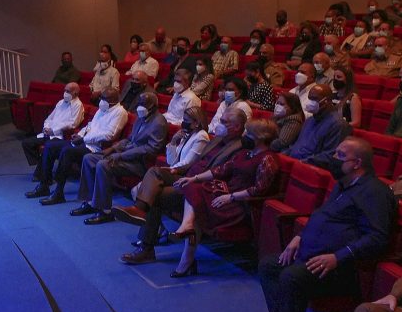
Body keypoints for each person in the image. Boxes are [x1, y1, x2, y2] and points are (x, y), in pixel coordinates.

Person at [260, 137, 396, 312]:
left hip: (343, 270)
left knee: (291, 278)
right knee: (269, 266)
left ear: (357, 163)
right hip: (312, 256)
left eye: (340, 156)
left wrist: (339, 256)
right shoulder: (342, 185)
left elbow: (379, 237)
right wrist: (299, 237)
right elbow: (324, 217)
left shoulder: (375, 192)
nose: (333, 158)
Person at [116, 109, 247, 265]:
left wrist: (192, 179)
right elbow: (197, 161)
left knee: (156, 195)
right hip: (187, 176)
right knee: (155, 171)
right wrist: (177, 170)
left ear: (238, 127)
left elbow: (221, 174)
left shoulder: (240, 148)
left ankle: (146, 248)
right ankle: (139, 209)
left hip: (200, 188)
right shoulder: (218, 139)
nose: (219, 125)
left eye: (225, 122)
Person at [168, 119, 281, 276]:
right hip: (225, 193)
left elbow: (258, 190)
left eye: (249, 133)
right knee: (192, 188)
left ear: (260, 137)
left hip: (239, 204)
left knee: (197, 209)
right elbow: (219, 170)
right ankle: (186, 240)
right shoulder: (244, 153)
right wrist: (193, 178)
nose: (245, 135)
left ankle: (186, 259)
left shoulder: (268, 159)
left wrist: (231, 197)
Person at [72, 92, 168, 225]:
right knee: (89, 158)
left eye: (143, 105)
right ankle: (90, 202)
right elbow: (129, 139)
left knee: (103, 165)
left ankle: (105, 211)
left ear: (153, 106)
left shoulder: (159, 122)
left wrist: (120, 155)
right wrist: (112, 149)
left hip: (139, 163)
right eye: (139, 104)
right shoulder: (141, 117)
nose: (140, 107)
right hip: (124, 156)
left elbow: (151, 149)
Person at [36, 88, 129, 205]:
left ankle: (58, 192)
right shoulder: (102, 109)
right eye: (102, 98)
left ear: (114, 100)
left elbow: (110, 135)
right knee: (51, 145)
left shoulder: (120, 112)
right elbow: (90, 126)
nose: (101, 101)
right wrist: (79, 134)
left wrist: (84, 139)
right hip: (83, 141)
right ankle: (44, 184)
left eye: (105, 99)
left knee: (67, 152)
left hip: (96, 148)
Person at [22, 83, 85, 189]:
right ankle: (43, 167)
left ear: (76, 93)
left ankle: (43, 173)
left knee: (48, 147)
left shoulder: (78, 105)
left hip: (60, 135)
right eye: (65, 90)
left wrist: (54, 130)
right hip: (48, 132)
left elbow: (73, 123)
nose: (65, 93)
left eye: (68, 91)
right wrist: (46, 127)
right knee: (27, 143)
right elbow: (49, 118)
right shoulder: (60, 102)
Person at [284, 84, 350, 166]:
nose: (310, 102)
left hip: (308, 167)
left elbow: (329, 156)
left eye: (314, 99)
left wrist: (301, 163)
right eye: (309, 98)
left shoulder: (338, 125)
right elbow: (297, 146)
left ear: (326, 101)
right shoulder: (309, 120)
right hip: (294, 163)